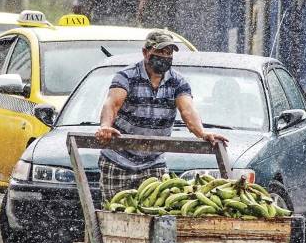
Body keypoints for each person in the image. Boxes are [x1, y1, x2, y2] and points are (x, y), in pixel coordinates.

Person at [95, 30, 228, 199]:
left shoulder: (178, 82)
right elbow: (112, 104)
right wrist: (105, 126)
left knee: (155, 217)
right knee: (114, 213)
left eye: (169, 53)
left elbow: (187, 110)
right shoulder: (126, 77)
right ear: (145, 52)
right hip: (118, 160)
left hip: (153, 163)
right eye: (160, 52)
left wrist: (202, 133)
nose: (165, 57)